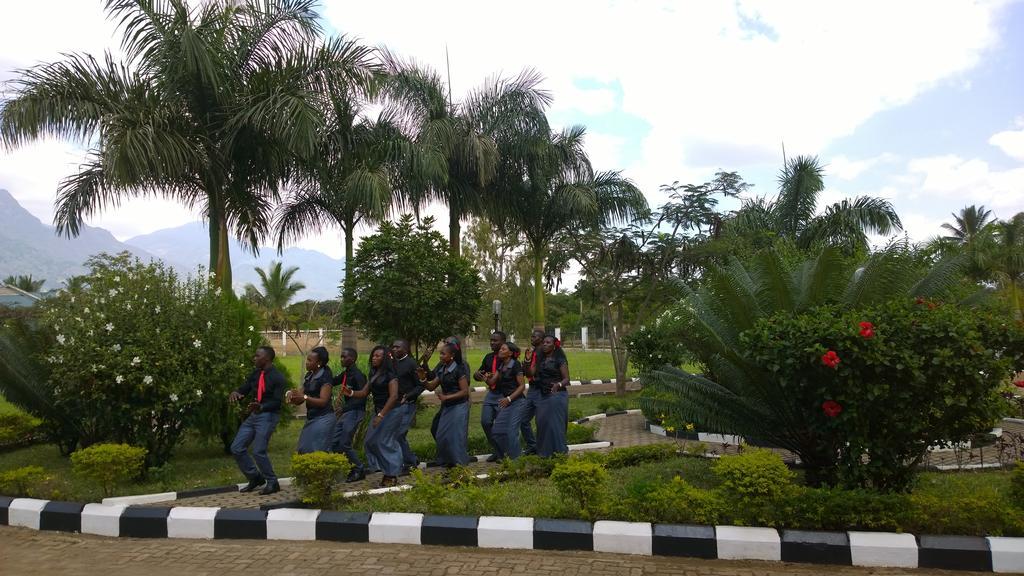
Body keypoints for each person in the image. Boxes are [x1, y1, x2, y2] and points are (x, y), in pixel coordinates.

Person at [229, 346, 287, 495]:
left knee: (258, 451)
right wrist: (237, 392)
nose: (254, 358)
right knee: (237, 447)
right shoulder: (256, 373)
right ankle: (255, 477)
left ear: (266, 359)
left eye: (257, 356)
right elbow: (245, 388)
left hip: (268, 416)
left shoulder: (278, 377)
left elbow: (277, 402)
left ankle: (273, 482)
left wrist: (261, 406)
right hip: (254, 415)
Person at [346, 345, 402, 487]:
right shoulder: (374, 373)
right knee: (370, 441)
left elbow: (394, 396)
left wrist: (381, 415)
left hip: (391, 412)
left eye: (378, 356)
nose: (374, 358)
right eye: (373, 355)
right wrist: (351, 393)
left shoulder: (391, 375)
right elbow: (364, 392)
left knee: (384, 442)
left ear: (385, 359)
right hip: (379, 411)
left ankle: (392, 474)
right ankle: (385, 469)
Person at [420, 342, 470, 467]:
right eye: (440, 354)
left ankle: (460, 467)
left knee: (455, 438)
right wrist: (422, 379)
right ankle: (449, 462)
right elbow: (431, 387)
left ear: (452, 355)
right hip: (448, 407)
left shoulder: (459, 369)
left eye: (443, 354)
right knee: (442, 436)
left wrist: (446, 397)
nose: (440, 356)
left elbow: (464, 392)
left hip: (459, 406)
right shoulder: (442, 369)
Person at [483, 342, 526, 461]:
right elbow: (492, 382)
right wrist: (486, 378)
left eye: (503, 349)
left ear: (510, 353)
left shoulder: (516, 365)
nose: (500, 351)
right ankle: (506, 457)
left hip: (517, 402)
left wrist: (509, 398)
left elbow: (522, 386)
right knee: (497, 432)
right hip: (506, 403)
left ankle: (517, 462)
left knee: (511, 432)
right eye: (500, 349)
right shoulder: (501, 365)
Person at [330, 347, 368, 482]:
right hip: (347, 412)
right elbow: (333, 381)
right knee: (335, 443)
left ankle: (359, 469)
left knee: (345, 443)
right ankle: (350, 468)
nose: (341, 359)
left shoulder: (358, 375)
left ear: (352, 359)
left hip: (355, 412)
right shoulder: (346, 374)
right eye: (341, 357)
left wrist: (343, 409)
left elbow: (362, 398)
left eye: (344, 357)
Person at [531, 335, 570, 457]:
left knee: (555, 425)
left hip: (557, 395)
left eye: (548, 342)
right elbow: (530, 373)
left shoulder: (560, 359)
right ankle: (544, 453)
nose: (545, 344)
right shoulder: (540, 359)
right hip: (543, 395)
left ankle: (559, 452)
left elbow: (566, 379)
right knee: (541, 423)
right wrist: (527, 362)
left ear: (554, 346)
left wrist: (558, 385)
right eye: (544, 342)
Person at [291, 346, 334, 454]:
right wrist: (293, 397)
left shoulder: (325, 376)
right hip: (312, 417)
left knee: (317, 451)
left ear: (319, 363)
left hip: (324, 418)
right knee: (303, 450)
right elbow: (301, 396)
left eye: (310, 360)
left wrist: (304, 397)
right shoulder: (310, 375)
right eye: (307, 359)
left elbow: (323, 401)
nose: (307, 362)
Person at [390, 339, 424, 474]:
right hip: (395, 405)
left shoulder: (411, 363)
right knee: (397, 435)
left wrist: (408, 396)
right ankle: (411, 459)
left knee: (399, 434)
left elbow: (420, 385)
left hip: (407, 405)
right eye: (393, 347)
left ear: (405, 348)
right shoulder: (393, 363)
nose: (394, 349)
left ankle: (409, 463)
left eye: (397, 347)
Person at [474, 331, 506, 462]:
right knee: (486, 422)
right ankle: (497, 450)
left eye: (495, 340)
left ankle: (504, 453)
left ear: (503, 342)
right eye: (491, 340)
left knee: (500, 426)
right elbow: (480, 373)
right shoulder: (488, 357)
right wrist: (477, 375)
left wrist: (491, 378)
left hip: (503, 394)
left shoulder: (507, 358)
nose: (492, 343)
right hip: (491, 394)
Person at [518, 329, 545, 455]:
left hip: (541, 390)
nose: (532, 338)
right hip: (532, 389)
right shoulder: (532, 353)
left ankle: (543, 446)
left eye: (534, 337)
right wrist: (525, 364)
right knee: (523, 419)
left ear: (541, 338)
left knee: (541, 420)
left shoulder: (543, 354)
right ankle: (532, 445)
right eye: (531, 336)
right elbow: (527, 371)